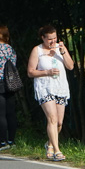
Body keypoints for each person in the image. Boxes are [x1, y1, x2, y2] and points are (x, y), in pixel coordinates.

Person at [27, 24, 74, 161]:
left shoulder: (60, 49)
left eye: (55, 38)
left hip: (60, 87)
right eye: (49, 39)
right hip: (45, 88)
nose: (53, 41)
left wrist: (63, 51)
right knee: (52, 118)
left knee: (59, 122)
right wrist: (47, 72)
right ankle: (57, 150)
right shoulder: (37, 50)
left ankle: (49, 144)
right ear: (43, 38)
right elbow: (30, 72)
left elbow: (70, 66)